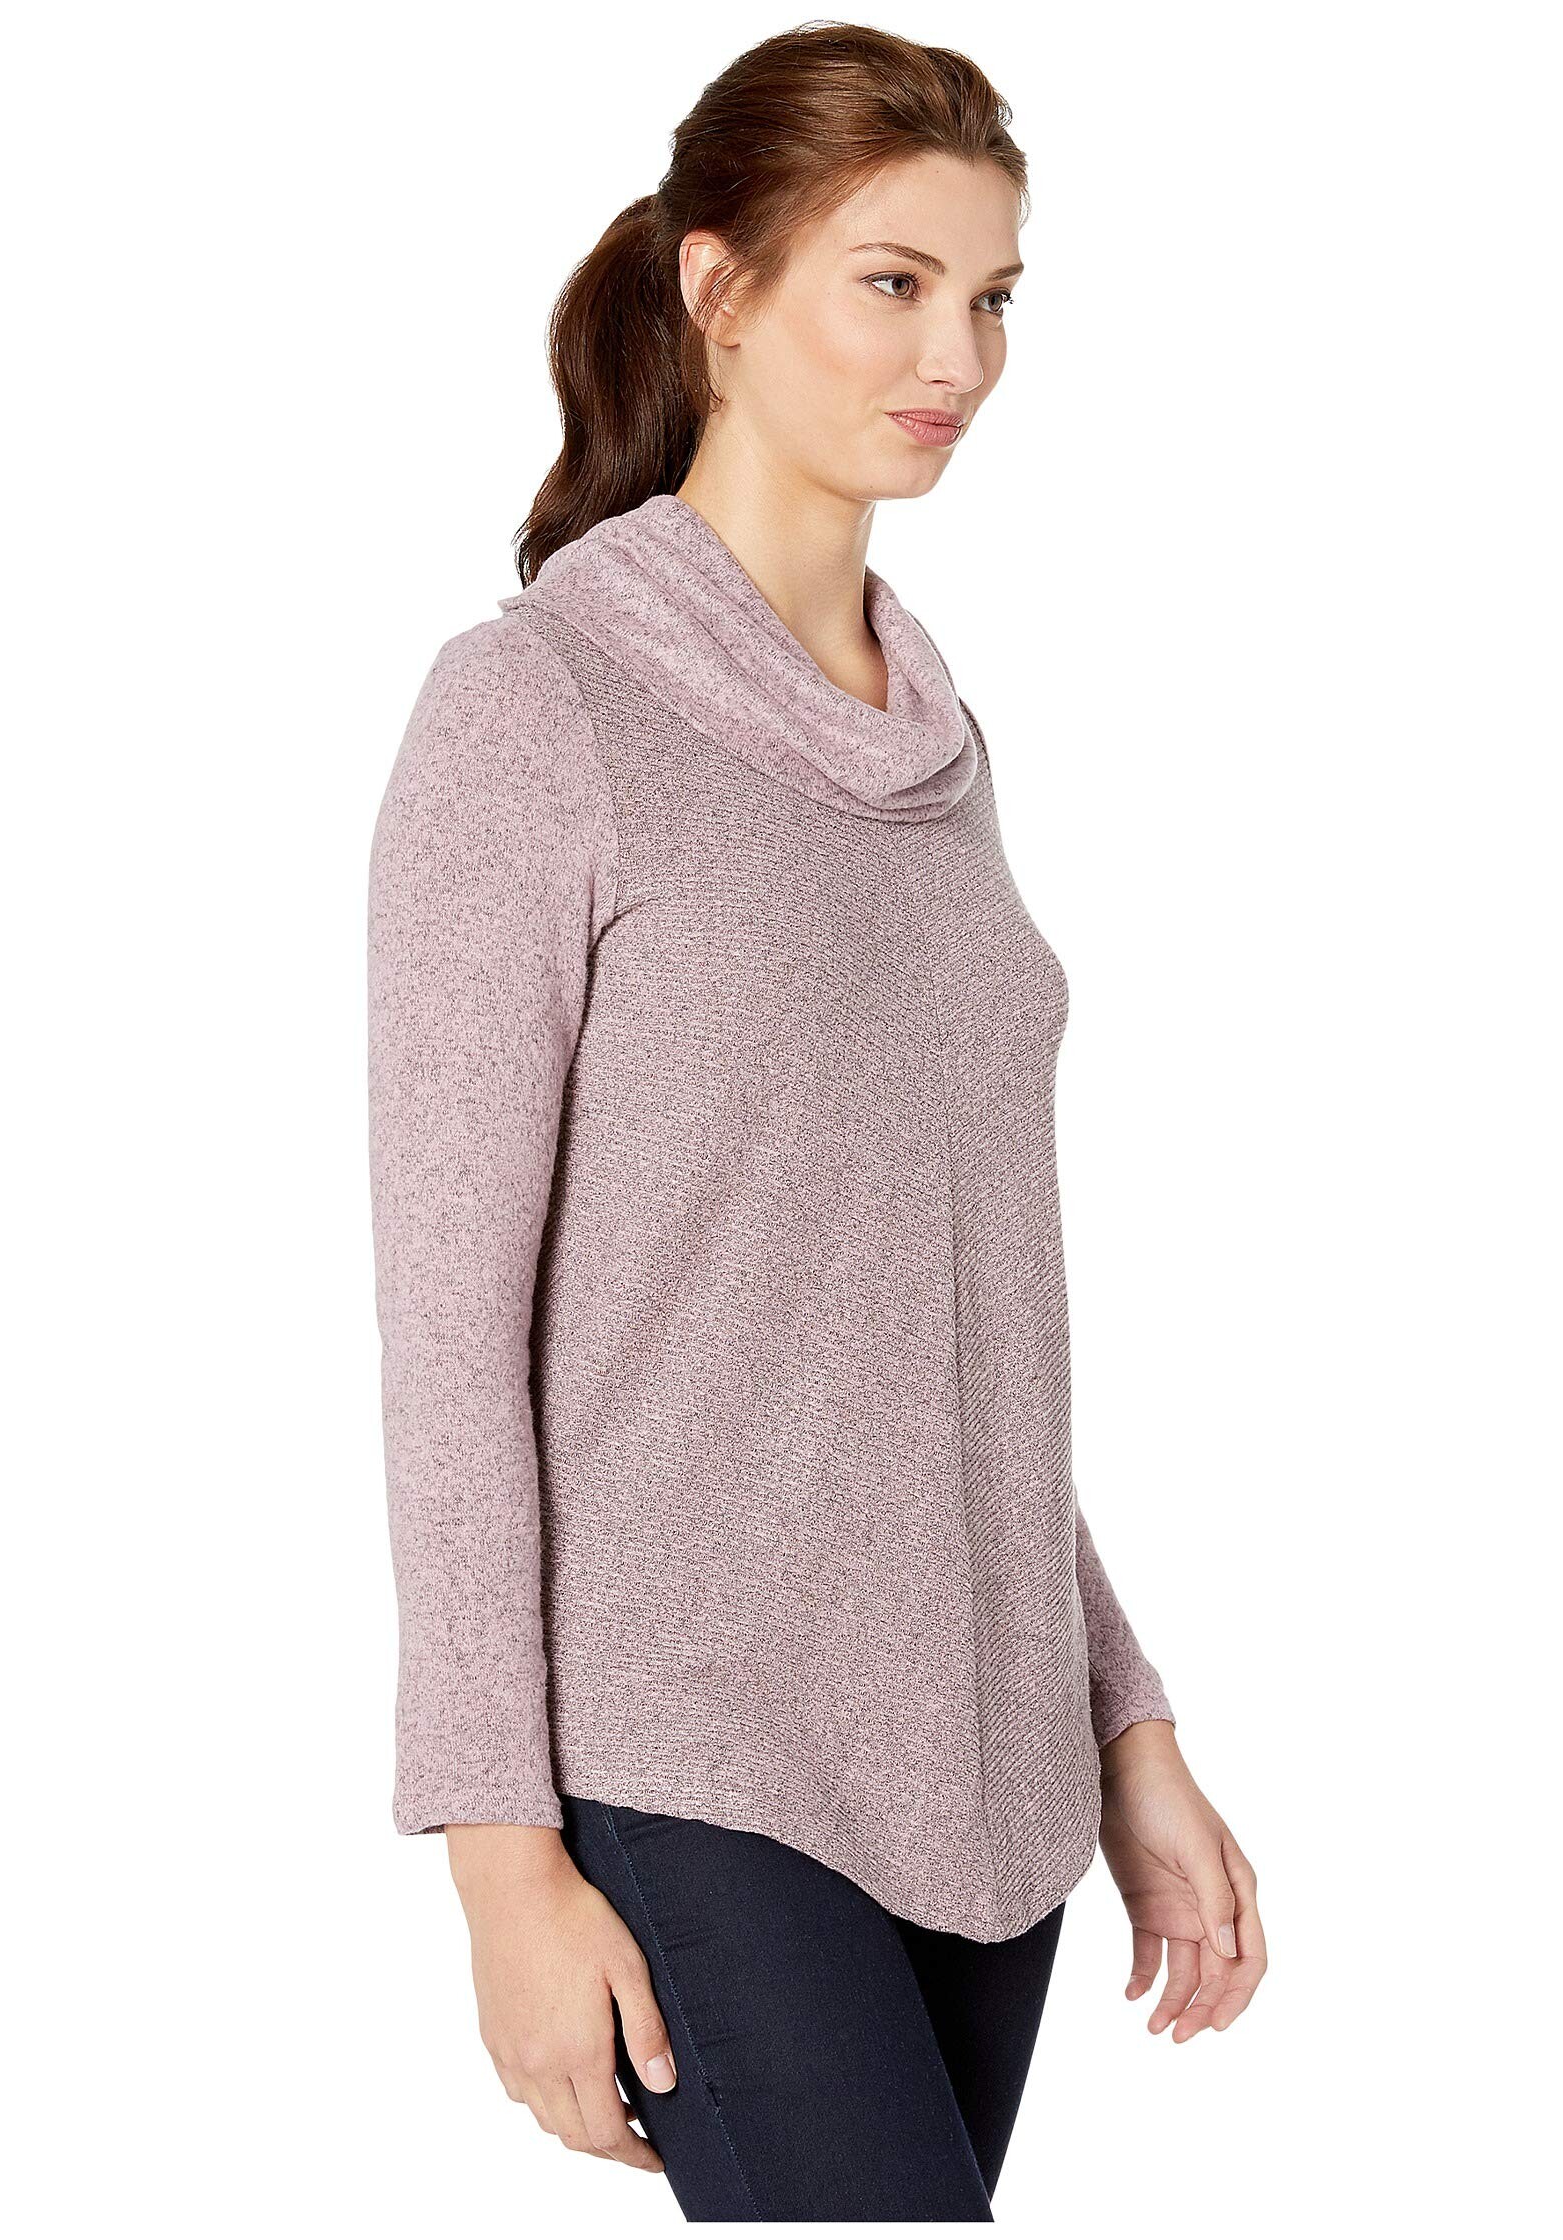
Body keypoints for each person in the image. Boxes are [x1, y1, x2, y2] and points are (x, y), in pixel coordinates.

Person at [365, 22, 1266, 2222]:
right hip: (689, 1747)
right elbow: (450, 1335)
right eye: (894, 282)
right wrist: (498, 1853)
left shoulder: (941, 742)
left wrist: (1124, 1722)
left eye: (995, 296)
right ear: (721, 288)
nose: (959, 354)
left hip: (984, 1768)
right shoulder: (536, 710)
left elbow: (953, 1328)